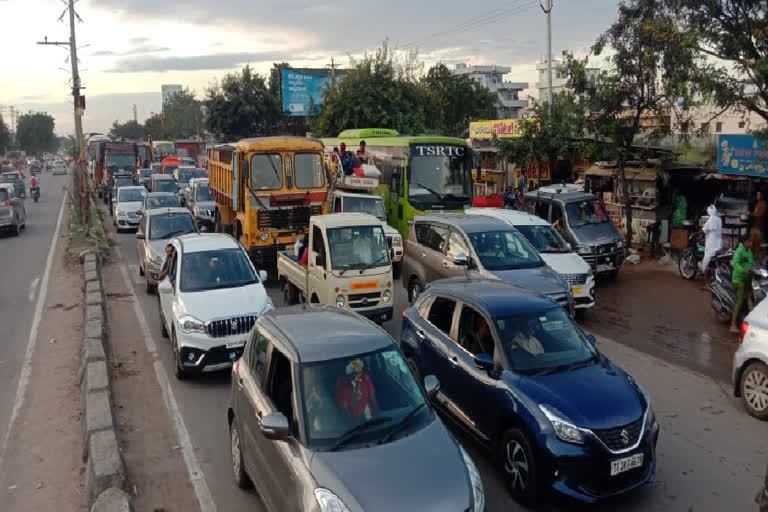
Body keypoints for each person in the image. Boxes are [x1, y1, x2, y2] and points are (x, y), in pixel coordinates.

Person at [730, 229, 761, 333]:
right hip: (739, 280)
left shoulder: (749, 252)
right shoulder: (739, 251)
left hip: (748, 280)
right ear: (745, 242)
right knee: (739, 301)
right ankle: (732, 325)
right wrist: (743, 271)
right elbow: (736, 264)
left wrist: (756, 269)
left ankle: (747, 321)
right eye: (750, 241)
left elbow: (752, 264)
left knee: (751, 299)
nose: (751, 243)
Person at [702, 204, 722, 285]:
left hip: (711, 245)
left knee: (706, 263)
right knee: (714, 264)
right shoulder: (719, 219)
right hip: (719, 244)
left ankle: (706, 283)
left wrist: (699, 231)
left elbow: (704, 229)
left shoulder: (710, 220)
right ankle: (713, 280)